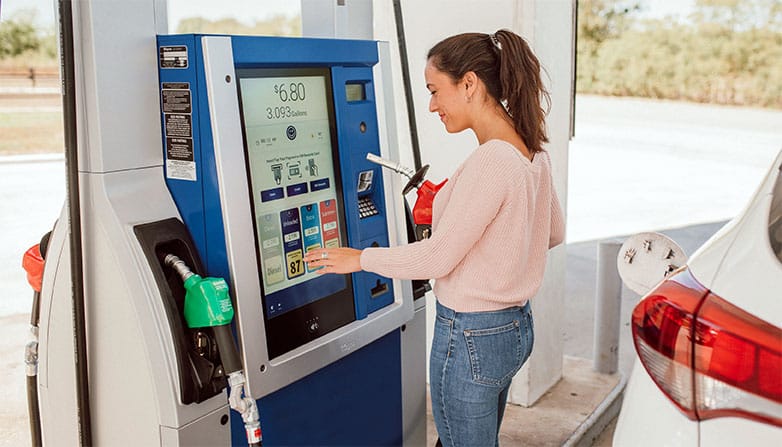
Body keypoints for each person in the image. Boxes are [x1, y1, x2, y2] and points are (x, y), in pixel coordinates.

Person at [303, 29, 565, 447]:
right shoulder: (531, 149)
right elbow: (552, 231)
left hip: (470, 336)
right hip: (513, 328)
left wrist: (359, 259)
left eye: (435, 90)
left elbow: (438, 258)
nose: (431, 105)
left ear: (469, 84)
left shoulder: (492, 159)